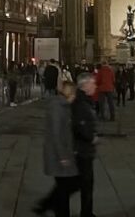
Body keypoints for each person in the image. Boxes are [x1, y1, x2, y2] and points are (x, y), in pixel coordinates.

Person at [34, 80, 80, 217]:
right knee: (65, 187)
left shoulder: (63, 106)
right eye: (74, 94)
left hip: (62, 153)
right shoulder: (58, 108)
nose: (75, 97)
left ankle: (46, 206)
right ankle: (49, 207)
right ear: (70, 94)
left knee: (64, 186)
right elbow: (56, 134)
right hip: (58, 154)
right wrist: (63, 156)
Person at [73, 73, 99, 217]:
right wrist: (91, 137)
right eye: (92, 83)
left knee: (84, 184)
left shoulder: (85, 100)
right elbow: (80, 124)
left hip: (84, 150)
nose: (95, 86)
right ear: (85, 85)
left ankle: (87, 212)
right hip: (82, 151)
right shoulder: (81, 103)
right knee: (85, 184)